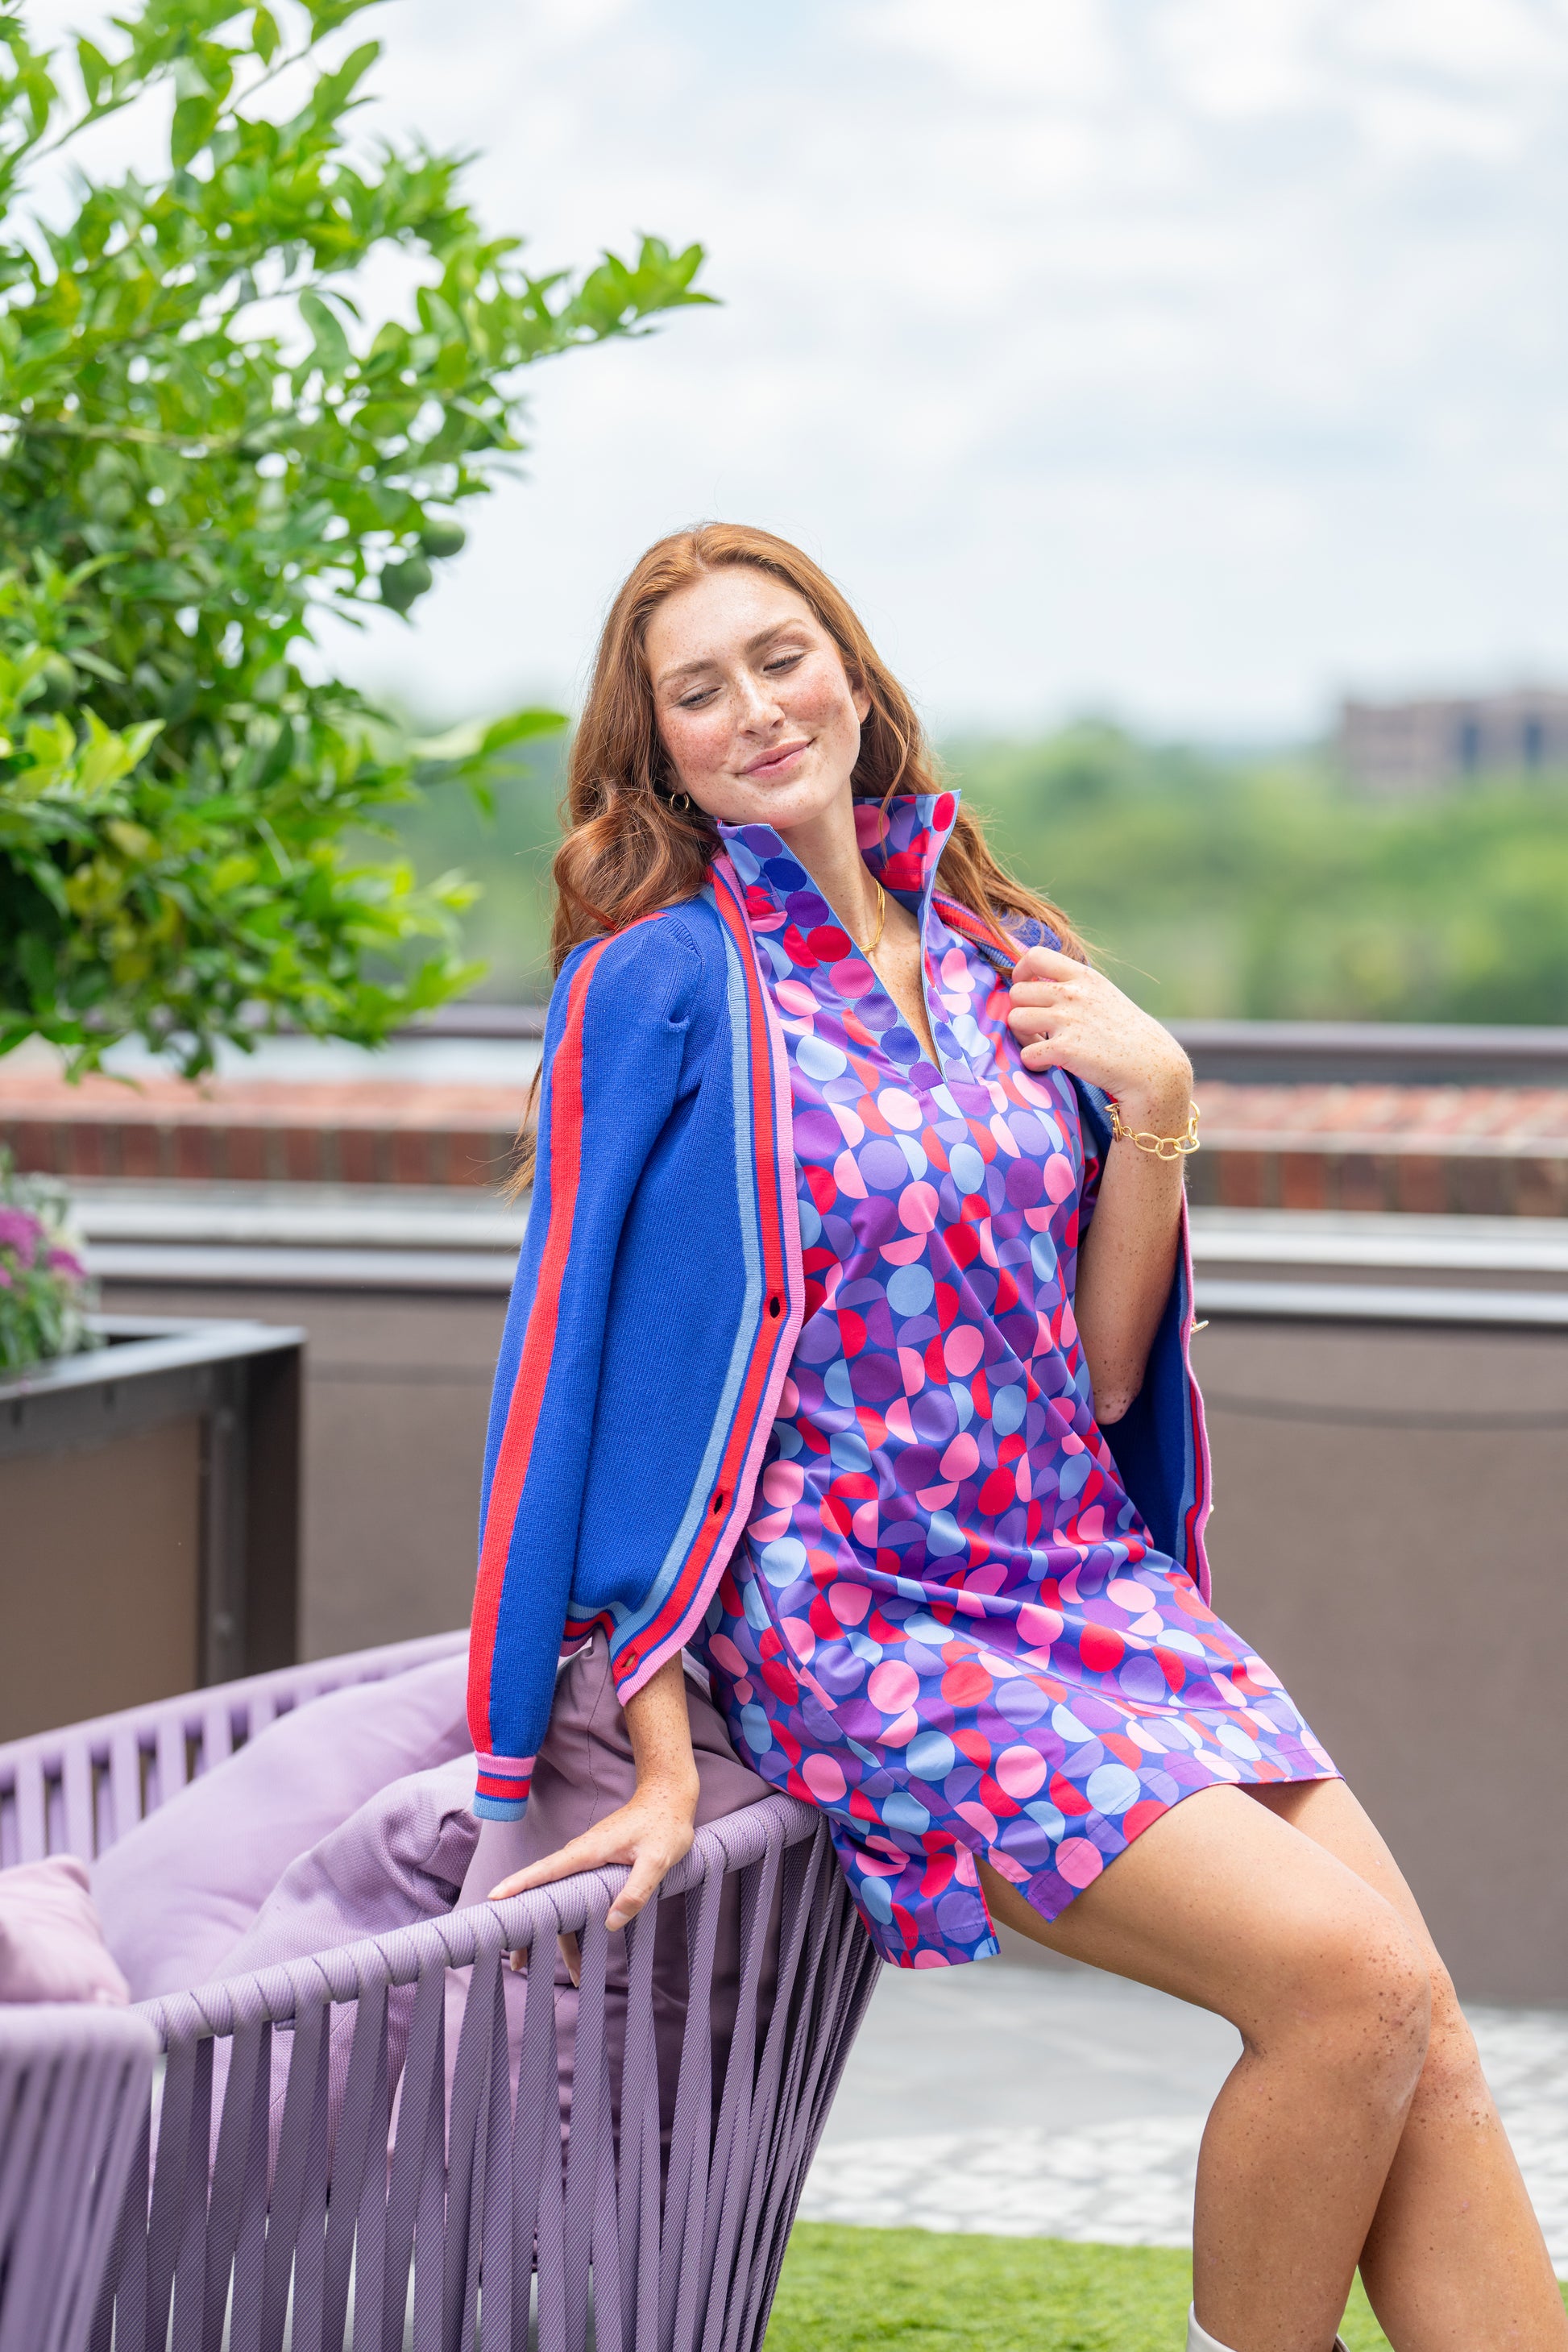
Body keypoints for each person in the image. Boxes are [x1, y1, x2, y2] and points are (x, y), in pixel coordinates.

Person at [466, 522, 1565, 2352]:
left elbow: (1102, 1371)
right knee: (1349, 1985)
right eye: (698, 689)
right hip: (864, 1622)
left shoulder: (1007, 963)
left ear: (854, 673)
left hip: (1077, 1580)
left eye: (782, 656)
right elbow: (578, 1380)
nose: (755, 708)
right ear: (656, 749)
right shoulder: (661, 987)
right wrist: (643, 1740)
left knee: (1415, 2015)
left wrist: (1161, 1104)